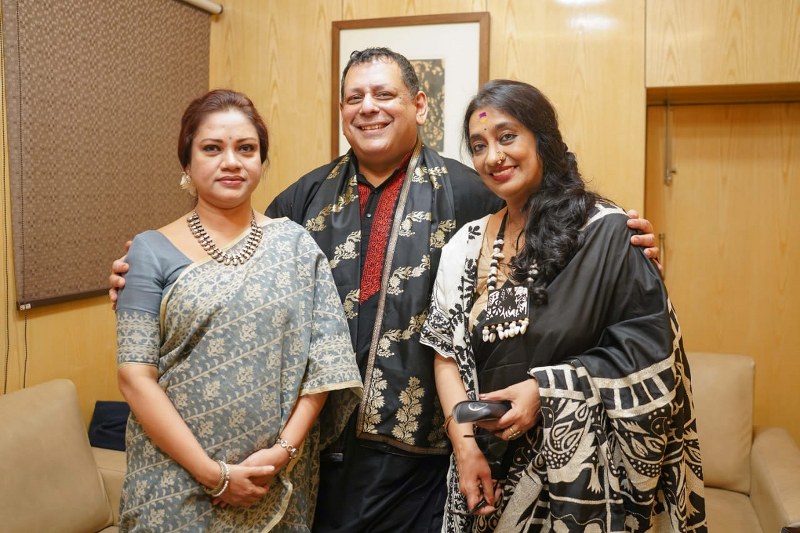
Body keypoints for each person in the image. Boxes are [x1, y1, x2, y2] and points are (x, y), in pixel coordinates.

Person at [110, 49, 661, 532]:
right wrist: (147, 280)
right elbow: (233, 262)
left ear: (419, 105)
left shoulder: (471, 191)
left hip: (426, 459)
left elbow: (551, 244)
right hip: (319, 452)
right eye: (354, 98)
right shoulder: (303, 200)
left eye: (384, 94)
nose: (368, 107)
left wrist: (626, 245)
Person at [419, 79, 706, 532]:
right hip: (484, 472)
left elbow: (651, 356)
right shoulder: (465, 245)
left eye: (507, 137)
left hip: (582, 487)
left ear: (543, 140)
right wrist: (466, 448)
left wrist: (545, 392)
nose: (493, 156)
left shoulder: (606, 232)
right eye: (478, 145)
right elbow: (447, 358)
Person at [114, 89, 362, 532]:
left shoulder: (296, 246)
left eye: (246, 149)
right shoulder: (149, 250)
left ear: (262, 161)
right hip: (173, 485)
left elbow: (326, 365)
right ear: (187, 162)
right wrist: (214, 475)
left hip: (274, 480)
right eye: (212, 148)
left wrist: (282, 453)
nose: (231, 161)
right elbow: (135, 377)